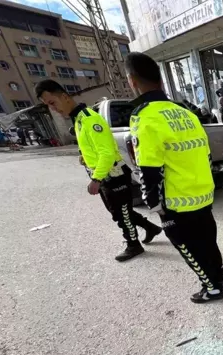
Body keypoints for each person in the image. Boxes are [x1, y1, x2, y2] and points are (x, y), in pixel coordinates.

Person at [125, 52, 223, 303]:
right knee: (208, 239)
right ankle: (219, 274)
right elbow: (205, 154)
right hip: (203, 191)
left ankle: (212, 286)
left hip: (178, 199)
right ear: (160, 79)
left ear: (132, 80)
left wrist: (155, 205)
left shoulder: (145, 118)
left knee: (186, 244)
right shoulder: (186, 113)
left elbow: (149, 169)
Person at [35, 80, 162, 261]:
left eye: (52, 103)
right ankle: (151, 228)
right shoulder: (78, 120)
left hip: (114, 175)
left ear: (64, 96)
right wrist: (85, 159)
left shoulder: (90, 119)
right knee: (118, 211)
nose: (52, 109)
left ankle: (134, 245)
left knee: (121, 214)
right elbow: (95, 148)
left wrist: (96, 179)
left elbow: (107, 153)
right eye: (48, 106)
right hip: (106, 176)